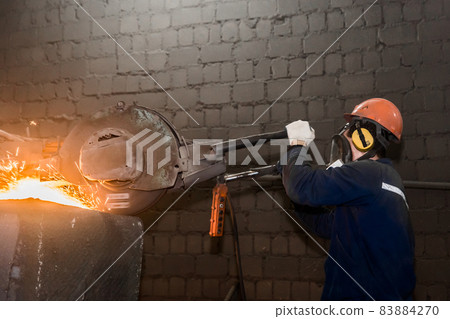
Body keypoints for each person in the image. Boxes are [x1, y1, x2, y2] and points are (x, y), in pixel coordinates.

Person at [279, 98, 415, 301]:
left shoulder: (368, 173)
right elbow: (328, 226)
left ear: (364, 136)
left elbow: (301, 186)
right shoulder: (385, 181)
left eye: (348, 132)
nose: (343, 137)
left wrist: (297, 147)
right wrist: (289, 179)